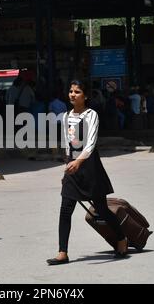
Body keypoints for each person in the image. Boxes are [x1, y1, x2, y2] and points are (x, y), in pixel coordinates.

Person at [46, 79, 128, 266]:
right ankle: (62, 252)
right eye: (71, 91)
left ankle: (122, 238)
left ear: (86, 96)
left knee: (101, 209)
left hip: (89, 166)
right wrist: (67, 166)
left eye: (77, 92)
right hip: (72, 166)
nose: (73, 95)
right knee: (65, 210)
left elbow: (91, 143)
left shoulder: (92, 115)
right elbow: (67, 144)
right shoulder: (66, 116)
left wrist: (79, 161)